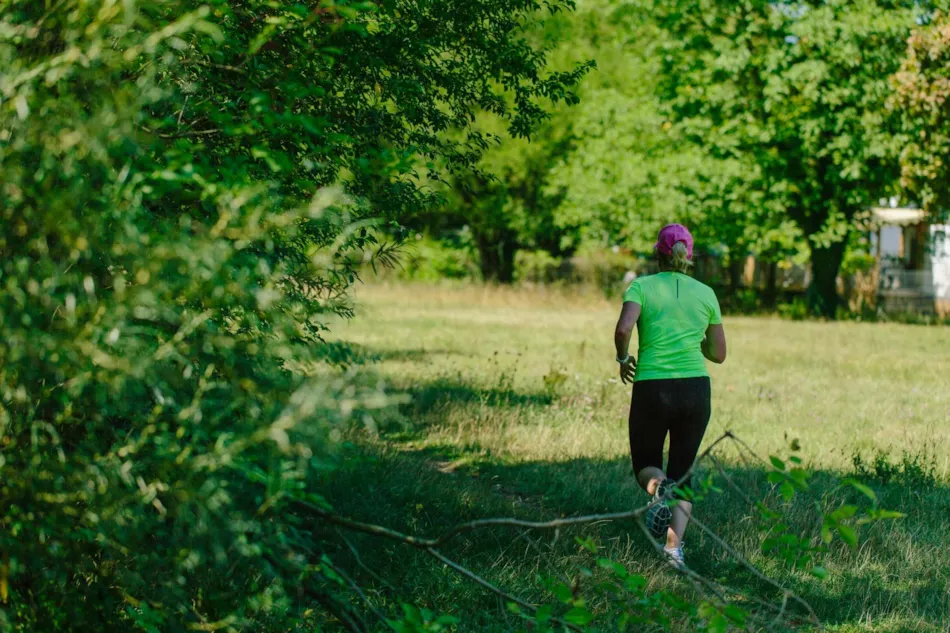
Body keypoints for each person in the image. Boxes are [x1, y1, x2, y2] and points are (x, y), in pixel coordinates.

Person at [612, 223, 727, 569]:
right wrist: (696, 343)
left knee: (645, 464)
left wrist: (623, 358)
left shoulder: (641, 286)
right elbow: (719, 353)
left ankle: (659, 491)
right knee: (683, 470)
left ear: (657, 254)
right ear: (689, 256)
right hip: (696, 389)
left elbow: (623, 328)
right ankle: (674, 551)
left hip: (653, 387)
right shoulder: (706, 293)